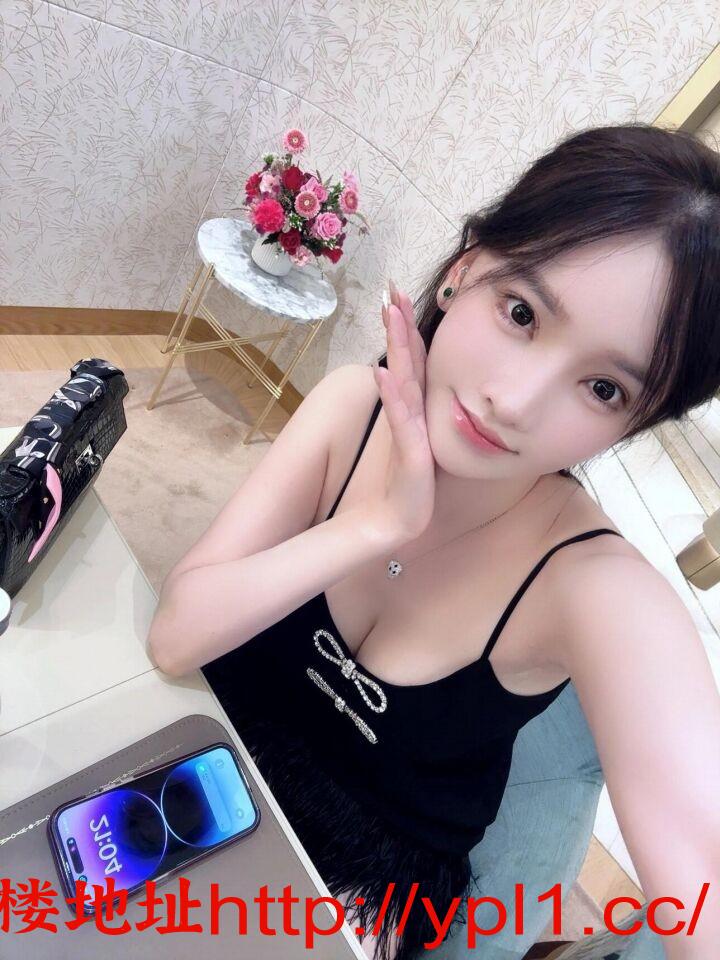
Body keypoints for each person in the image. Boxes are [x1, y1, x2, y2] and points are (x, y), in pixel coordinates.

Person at [147, 122, 720, 960]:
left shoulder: (593, 585)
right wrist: (376, 523)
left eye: (603, 388)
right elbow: (176, 636)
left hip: (350, 895)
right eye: (521, 313)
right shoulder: (351, 410)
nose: (515, 401)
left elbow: (704, 861)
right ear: (464, 270)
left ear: (633, 423)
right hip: (200, 761)